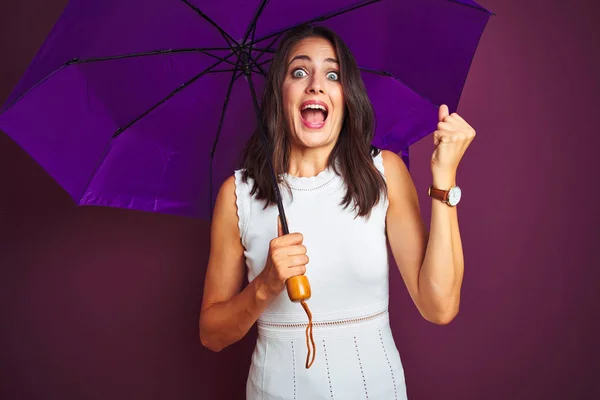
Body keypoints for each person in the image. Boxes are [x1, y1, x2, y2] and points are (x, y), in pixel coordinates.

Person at [199, 24, 475, 400]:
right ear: (280, 94)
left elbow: (439, 307)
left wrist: (444, 178)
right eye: (299, 72)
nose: (316, 85)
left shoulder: (385, 173)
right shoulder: (238, 194)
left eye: (333, 74)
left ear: (347, 97)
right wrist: (264, 286)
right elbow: (211, 334)